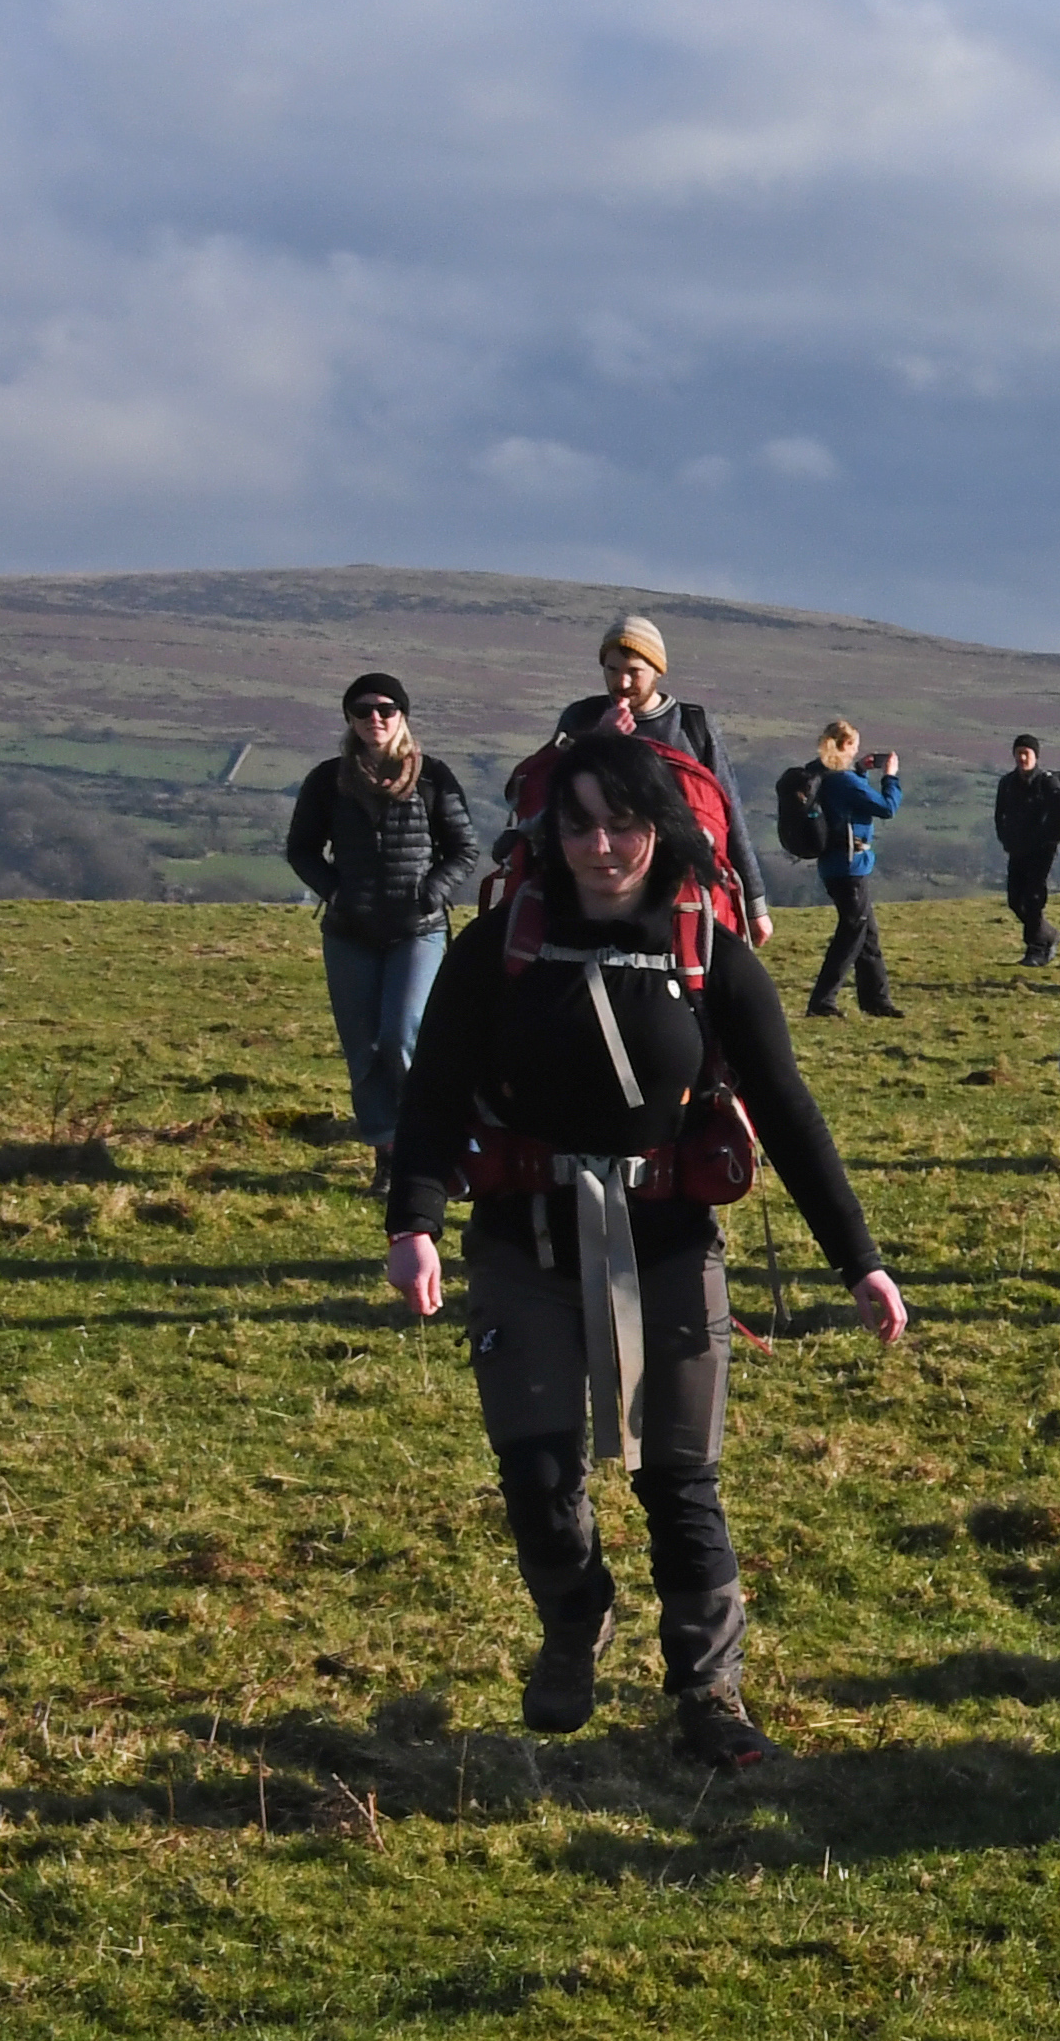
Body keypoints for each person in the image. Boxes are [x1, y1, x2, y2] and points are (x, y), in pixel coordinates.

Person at [383, 729, 907, 1769]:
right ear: (550, 829)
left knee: (679, 1478)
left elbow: (790, 1115)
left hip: (667, 1243)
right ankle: (576, 1618)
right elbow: (433, 1092)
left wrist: (860, 1261)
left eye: (621, 821)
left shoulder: (710, 950)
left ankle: (710, 1691)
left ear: (658, 826)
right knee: (536, 1472)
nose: (601, 844)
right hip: (522, 1244)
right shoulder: (500, 947)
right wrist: (415, 1225)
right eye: (577, 823)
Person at [285, 670, 479, 1151]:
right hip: (350, 932)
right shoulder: (328, 781)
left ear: (402, 716)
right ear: (349, 719)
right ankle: (387, 1153)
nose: (376, 717)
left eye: (386, 708)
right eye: (364, 709)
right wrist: (335, 892)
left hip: (418, 930)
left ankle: (428, 1142)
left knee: (401, 1037)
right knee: (364, 1051)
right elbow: (302, 848)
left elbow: (465, 848)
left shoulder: (432, 776)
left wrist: (433, 891)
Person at [553, 615, 755, 925]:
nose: (621, 683)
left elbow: (728, 812)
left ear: (657, 670)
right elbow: (551, 791)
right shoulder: (581, 717)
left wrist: (754, 903)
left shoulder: (692, 726)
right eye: (612, 670)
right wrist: (594, 740)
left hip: (681, 893)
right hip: (591, 891)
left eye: (634, 672)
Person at [789, 720, 904, 1021]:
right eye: (853, 747)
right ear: (843, 746)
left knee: (867, 933)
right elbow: (886, 807)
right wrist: (890, 777)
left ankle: (876, 1000)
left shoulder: (820, 774)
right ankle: (822, 1002)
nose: (856, 753)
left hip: (833, 865)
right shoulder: (843, 780)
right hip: (850, 867)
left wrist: (863, 771)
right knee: (852, 933)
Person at [991, 735, 1060, 967]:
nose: (1022, 757)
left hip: (1042, 851)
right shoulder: (1006, 783)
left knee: (1033, 898)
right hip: (1017, 849)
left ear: (1036, 756)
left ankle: (1036, 948)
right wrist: (1006, 839)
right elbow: (1000, 814)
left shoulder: (1047, 783)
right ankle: (1049, 934)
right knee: (1015, 900)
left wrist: (1049, 843)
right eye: (1019, 753)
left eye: (1027, 753)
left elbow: (1059, 819)